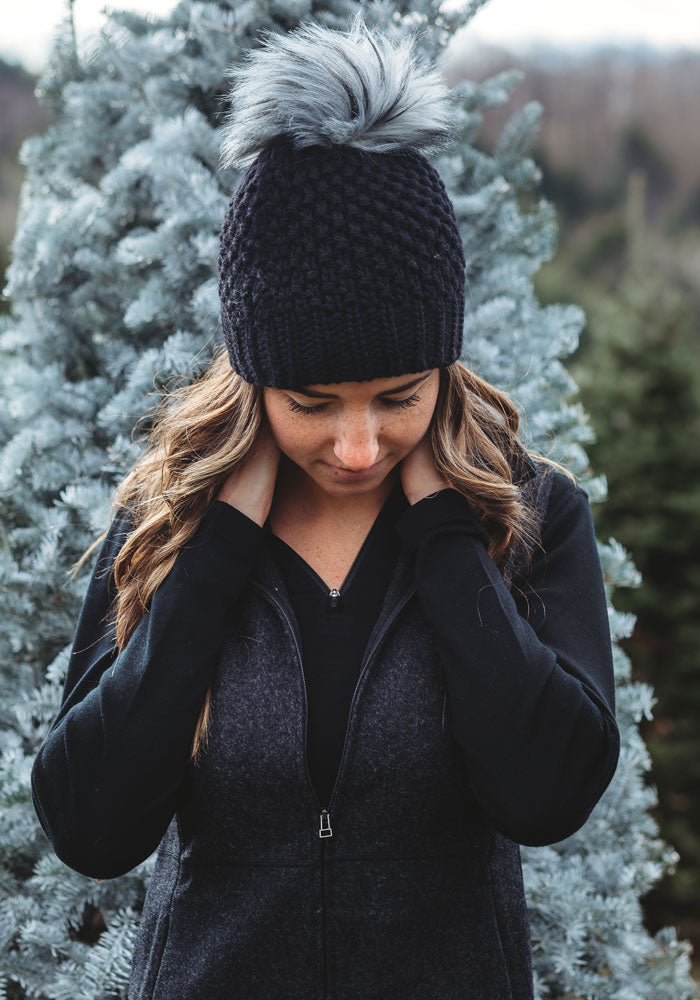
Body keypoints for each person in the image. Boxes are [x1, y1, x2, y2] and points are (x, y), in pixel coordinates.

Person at [30, 14, 620, 1000]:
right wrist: (217, 547)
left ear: (443, 362)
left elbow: (547, 793)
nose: (357, 445)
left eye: (398, 396)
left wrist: (444, 535)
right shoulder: (167, 523)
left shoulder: (532, 519)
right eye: (312, 404)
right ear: (257, 377)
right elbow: (92, 826)